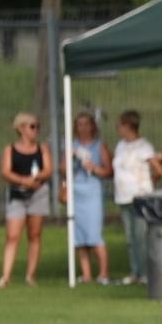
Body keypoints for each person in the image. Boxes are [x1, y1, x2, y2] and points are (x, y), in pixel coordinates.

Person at [0, 111, 53, 288]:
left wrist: (35, 180)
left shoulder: (42, 148)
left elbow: (48, 169)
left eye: (37, 126)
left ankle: (30, 275)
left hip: (38, 193)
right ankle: (5, 276)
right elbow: (6, 171)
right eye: (32, 126)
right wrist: (23, 181)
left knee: (34, 235)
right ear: (21, 128)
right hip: (17, 195)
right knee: (13, 235)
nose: (36, 130)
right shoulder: (10, 149)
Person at [111, 110, 158, 285]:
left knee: (141, 236)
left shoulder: (144, 146)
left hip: (139, 198)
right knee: (130, 238)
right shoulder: (120, 145)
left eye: (120, 125)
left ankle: (146, 273)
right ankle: (135, 272)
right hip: (123, 197)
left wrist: (146, 186)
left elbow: (158, 169)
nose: (118, 129)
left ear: (129, 126)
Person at [67, 111, 113, 286]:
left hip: (92, 192)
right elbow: (63, 168)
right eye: (80, 124)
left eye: (87, 124)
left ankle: (103, 273)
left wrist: (94, 168)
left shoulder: (99, 146)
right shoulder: (73, 146)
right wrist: (71, 156)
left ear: (92, 126)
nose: (83, 127)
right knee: (79, 236)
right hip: (76, 193)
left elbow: (109, 171)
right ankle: (86, 274)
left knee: (94, 235)